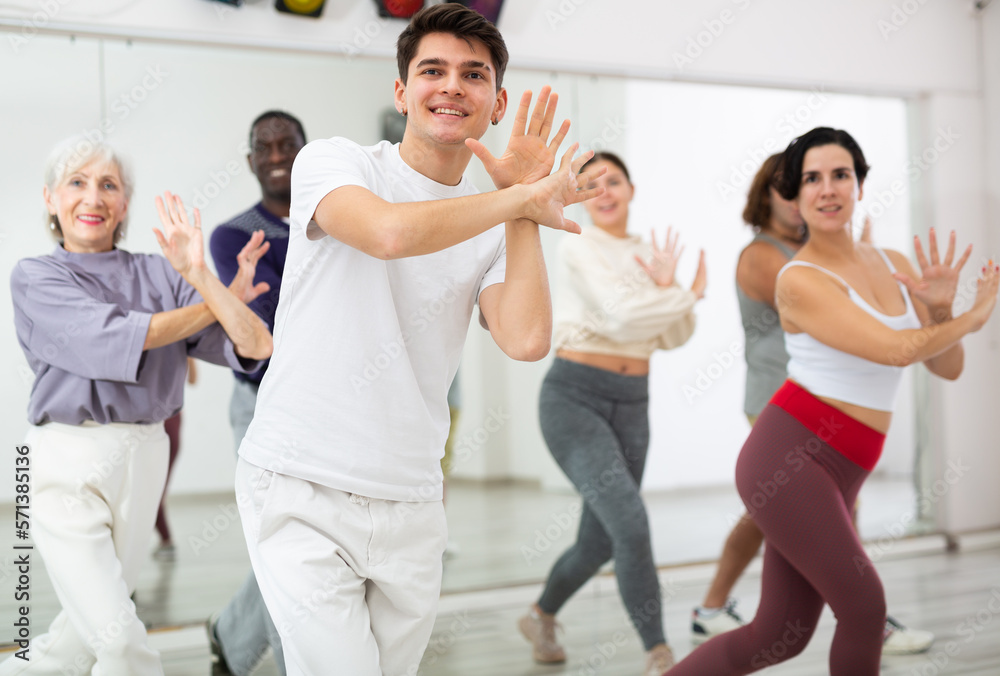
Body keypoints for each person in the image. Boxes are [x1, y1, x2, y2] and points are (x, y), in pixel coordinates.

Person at [233, 4, 604, 675]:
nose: (452, 86)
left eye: (474, 75)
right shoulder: (336, 163)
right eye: (432, 71)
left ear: (497, 102)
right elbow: (389, 233)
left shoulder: (495, 215)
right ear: (402, 91)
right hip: (300, 482)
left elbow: (524, 339)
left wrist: (521, 205)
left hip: (412, 498)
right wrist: (517, 200)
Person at [667, 127, 998, 675]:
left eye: (840, 175)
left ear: (860, 185)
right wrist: (974, 316)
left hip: (849, 463)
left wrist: (941, 314)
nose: (827, 189)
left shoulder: (891, 261)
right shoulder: (799, 278)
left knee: (780, 637)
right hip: (792, 455)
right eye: (811, 179)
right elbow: (896, 351)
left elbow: (947, 366)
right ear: (794, 195)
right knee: (865, 608)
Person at [4, 137, 272, 675]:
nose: (93, 196)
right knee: (121, 639)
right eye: (76, 182)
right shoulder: (36, 276)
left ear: (124, 205)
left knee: (79, 640)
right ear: (50, 199)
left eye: (109, 185)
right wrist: (215, 304)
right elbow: (116, 339)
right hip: (63, 460)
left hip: (144, 455)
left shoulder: (163, 273)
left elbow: (256, 346)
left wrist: (201, 279)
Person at [691, 153, 935, 655]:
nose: (811, 195)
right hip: (780, 399)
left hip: (826, 402)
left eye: (833, 179)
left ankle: (852, 605)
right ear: (772, 195)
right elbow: (822, 306)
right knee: (785, 514)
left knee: (796, 529)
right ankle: (857, 609)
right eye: (797, 185)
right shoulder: (764, 256)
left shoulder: (821, 255)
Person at [517, 152, 706, 676]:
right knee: (631, 523)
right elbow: (620, 319)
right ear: (578, 194)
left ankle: (540, 614)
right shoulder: (577, 243)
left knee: (600, 538)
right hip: (574, 398)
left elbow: (673, 335)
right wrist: (685, 295)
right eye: (590, 183)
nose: (603, 191)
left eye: (613, 180)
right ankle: (659, 653)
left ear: (631, 188)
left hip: (633, 400)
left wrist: (670, 292)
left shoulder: (649, 252)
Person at [206, 110, 307, 676]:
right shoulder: (234, 237)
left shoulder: (337, 222)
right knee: (285, 550)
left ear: (305, 149)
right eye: (263, 148)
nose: (275, 156)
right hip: (264, 407)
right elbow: (260, 337)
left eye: (286, 144)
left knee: (294, 547)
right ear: (250, 161)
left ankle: (229, 637)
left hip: (334, 409)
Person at [152, 358, 197, 562]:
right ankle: (165, 539)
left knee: (153, 489)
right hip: (154, 423)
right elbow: (193, 380)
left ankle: (166, 540)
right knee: (151, 489)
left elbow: (193, 379)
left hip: (165, 422)